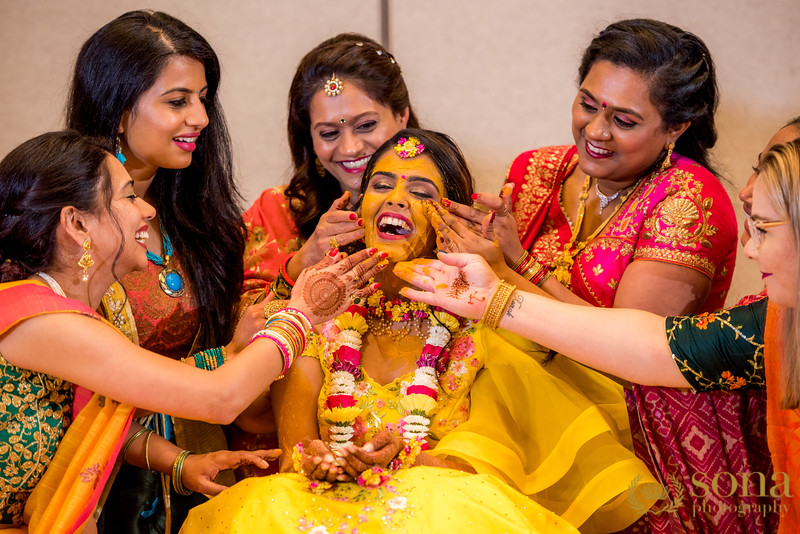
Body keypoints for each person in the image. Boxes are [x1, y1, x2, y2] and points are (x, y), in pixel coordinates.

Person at [180, 129, 659, 534]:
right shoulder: (322, 314)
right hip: (317, 506)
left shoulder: (477, 323)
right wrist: (322, 461)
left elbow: (484, 462)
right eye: (381, 185)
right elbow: (295, 452)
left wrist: (402, 463)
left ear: (451, 216)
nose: (395, 198)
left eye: (422, 192)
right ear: (359, 208)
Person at [397, 137, 800, 534]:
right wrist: (495, 296)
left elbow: (647, 349)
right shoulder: (771, 321)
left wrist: (503, 288)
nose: (751, 249)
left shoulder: (690, 204)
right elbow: (657, 344)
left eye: (764, 228)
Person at [441, 19, 745, 532]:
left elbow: (628, 354)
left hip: (622, 424)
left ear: (676, 128)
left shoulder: (688, 200)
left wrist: (515, 266)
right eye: (588, 104)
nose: (596, 131)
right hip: (505, 390)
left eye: (624, 120)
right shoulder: (535, 169)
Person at [0, 130, 384, 532]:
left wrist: (182, 463)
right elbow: (221, 399)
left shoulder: (65, 311)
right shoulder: (39, 319)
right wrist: (302, 314)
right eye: (128, 196)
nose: (146, 211)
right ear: (77, 223)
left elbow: (107, 412)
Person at [65, 11, 266, 530]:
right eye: (178, 101)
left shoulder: (197, 215)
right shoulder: (67, 226)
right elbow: (81, 394)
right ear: (117, 110)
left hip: (201, 466)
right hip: (107, 489)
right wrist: (237, 352)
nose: (200, 117)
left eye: (203, 99)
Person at [234, 32, 419, 475]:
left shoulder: (441, 204)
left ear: (402, 117)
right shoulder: (280, 210)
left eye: (366, 125)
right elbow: (239, 335)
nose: (350, 148)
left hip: (416, 437)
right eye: (329, 133)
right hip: (288, 441)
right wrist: (302, 263)